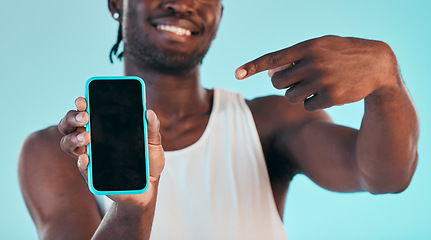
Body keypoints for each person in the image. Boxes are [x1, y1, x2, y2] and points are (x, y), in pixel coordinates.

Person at [18, 0, 419, 239]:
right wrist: (132, 210)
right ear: (116, 4)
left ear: (219, 15)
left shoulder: (268, 122)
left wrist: (386, 84)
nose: (182, 2)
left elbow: (385, 176)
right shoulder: (57, 152)